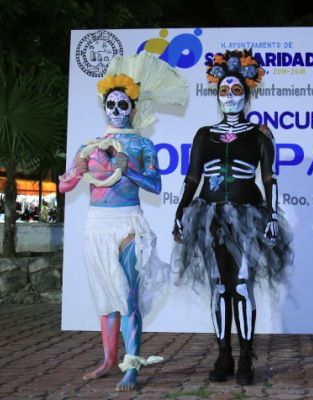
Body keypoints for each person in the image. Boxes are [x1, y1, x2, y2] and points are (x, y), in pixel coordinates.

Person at [59, 52, 188, 391]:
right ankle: (107, 360)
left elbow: (155, 185)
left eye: (122, 104)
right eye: (111, 104)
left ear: (133, 107)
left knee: (127, 296)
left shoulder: (143, 144)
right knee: (106, 297)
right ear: (104, 107)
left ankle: (130, 365)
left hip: (128, 223)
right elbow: (64, 185)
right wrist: (77, 172)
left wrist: (127, 167)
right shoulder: (90, 145)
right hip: (96, 225)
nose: (116, 110)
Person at [172, 49, 292, 385]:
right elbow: (192, 178)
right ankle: (223, 354)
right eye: (223, 90)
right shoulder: (203, 134)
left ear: (247, 95)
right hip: (209, 217)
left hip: (247, 217)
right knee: (218, 285)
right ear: (217, 95)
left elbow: (269, 179)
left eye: (236, 90)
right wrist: (180, 211)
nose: (229, 96)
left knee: (241, 284)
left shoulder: (259, 136)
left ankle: (246, 357)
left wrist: (271, 216)